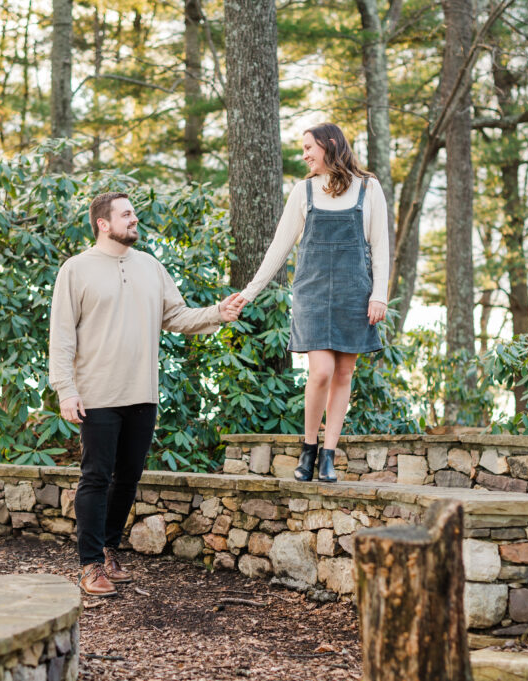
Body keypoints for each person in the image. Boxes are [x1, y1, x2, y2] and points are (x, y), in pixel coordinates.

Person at [49, 191, 242, 597]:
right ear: (104, 223)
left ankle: (108, 550)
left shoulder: (151, 267)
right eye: (126, 214)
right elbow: (62, 336)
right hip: (97, 393)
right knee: (96, 477)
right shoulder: (76, 269)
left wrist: (216, 313)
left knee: (128, 479)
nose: (134, 219)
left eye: (134, 214)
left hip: (142, 392)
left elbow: (175, 315)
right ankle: (89, 566)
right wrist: (66, 390)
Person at [233, 122, 389, 483]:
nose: (303, 155)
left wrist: (379, 293)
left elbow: (380, 245)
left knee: (345, 372)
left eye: (308, 148)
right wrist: (249, 292)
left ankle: (329, 454)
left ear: (330, 144)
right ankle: (308, 447)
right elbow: (279, 246)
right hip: (313, 293)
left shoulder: (369, 187)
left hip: (355, 292)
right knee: (320, 372)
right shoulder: (303, 191)